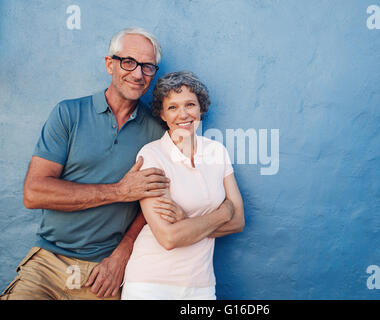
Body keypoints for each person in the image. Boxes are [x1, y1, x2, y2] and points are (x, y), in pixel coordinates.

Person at [0, 27, 233, 300]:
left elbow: (160, 201)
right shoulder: (69, 113)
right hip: (48, 261)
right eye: (129, 62)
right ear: (110, 64)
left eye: (147, 67)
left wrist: (123, 253)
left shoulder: (159, 133)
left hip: (106, 270)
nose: (137, 74)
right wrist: (120, 191)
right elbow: (35, 193)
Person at [121, 71, 245, 300]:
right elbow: (169, 238)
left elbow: (238, 222)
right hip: (150, 284)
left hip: (200, 285)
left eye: (190, 104)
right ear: (162, 114)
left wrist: (186, 222)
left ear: (201, 109)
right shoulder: (152, 155)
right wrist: (224, 212)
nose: (183, 114)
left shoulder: (217, 152)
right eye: (173, 107)